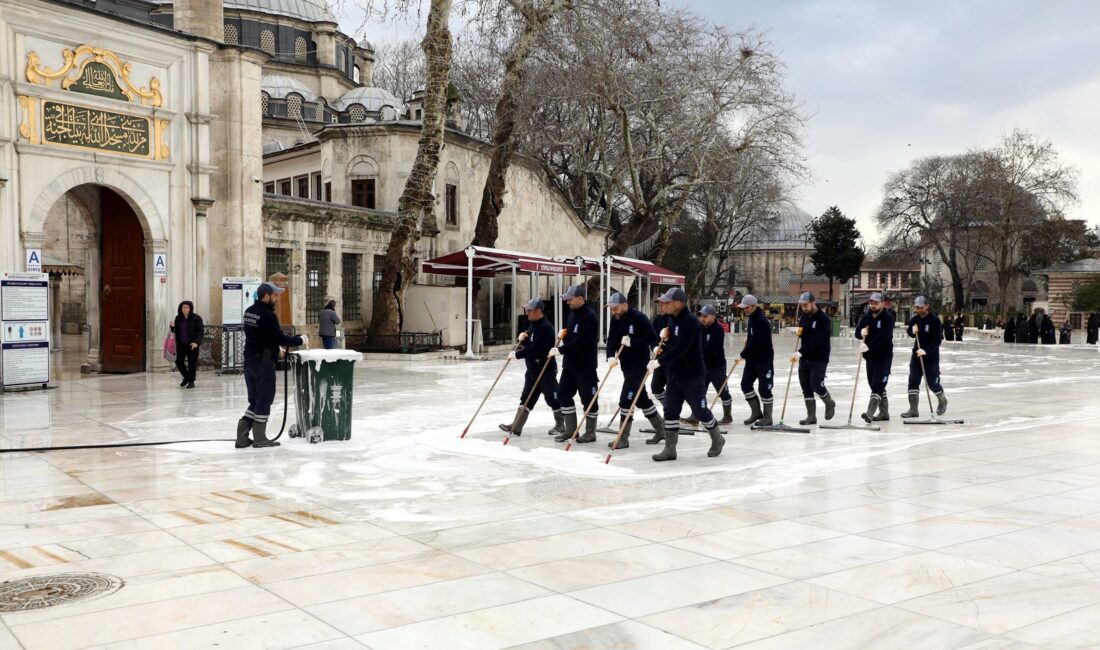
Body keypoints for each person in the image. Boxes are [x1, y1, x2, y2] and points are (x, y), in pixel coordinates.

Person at [649, 287, 724, 462]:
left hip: (692, 374)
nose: (664, 306)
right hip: (675, 374)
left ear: (678, 303)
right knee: (670, 410)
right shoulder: (672, 319)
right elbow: (673, 345)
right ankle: (670, 449)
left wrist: (660, 361)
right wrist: (663, 343)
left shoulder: (690, 321)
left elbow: (682, 348)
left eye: (667, 302)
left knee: (700, 411)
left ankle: (717, 439)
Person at [237, 282, 305, 449]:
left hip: (250, 360)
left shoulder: (249, 312)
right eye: (275, 295)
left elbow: (260, 336)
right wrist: (300, 340)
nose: (276, 298)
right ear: (266, 296)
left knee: (254, 400)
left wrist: (276, 347)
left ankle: (242, 438)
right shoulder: (268, 315)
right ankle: (260, 439)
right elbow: (279, 337)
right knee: (264, 399)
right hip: (263, 362)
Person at [604, 292, 662, 449]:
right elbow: (611, 340)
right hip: (626, 365)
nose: (613, 312)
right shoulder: (615, 320)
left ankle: (623, 437)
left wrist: (633, 343)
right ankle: (661, 429)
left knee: (626, 399)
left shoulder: (639, 318)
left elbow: (652, 338)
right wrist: (610, 356)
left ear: (624, 305)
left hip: (639, 365)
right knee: (641, 398)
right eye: (611, 309)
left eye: (615, 308)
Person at [499, 298, 562, 437]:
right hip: (532, 370)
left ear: (539, 311)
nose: (527, 312)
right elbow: (531, 342)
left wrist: (518, 354)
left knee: (552, 398)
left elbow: (537, 349)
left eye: (530, 310)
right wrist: (523, 339)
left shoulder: (545, 327)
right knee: (526, 397)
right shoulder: (533, 324)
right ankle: (516, 426)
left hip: (545, 370)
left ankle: (561, 424)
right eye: (526, 310)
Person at [550, 284, 599, 443]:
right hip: (570, 365)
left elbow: (581, 342)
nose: (568, 302)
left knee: (588, 399)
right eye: (567, 299)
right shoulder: (572, 314)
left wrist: (561, 350)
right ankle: (571, 430)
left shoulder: (589, 316)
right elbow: (572, 337)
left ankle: (590, 432)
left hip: (585, 365)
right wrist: (563, 336)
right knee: (563, 394)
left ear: (580, 298)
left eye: (570, 299)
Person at [901, 296, 948, 418]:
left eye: (921, 307)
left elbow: (937, 340)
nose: (918, 309)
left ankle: (942, 400)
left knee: (933, 383)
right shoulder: (915, 319)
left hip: (930, 357)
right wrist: (912, 330)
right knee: (913, 381)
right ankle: (913, 409)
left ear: (927, 306)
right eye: (917, 307)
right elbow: (910, 334)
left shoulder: (934, 320)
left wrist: (926, 351)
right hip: (916, 356)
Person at [793, 292, 836, 425]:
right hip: (805, 357)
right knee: (806, 386)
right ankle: (811, 416)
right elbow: (805, 336)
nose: (804, 308)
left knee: (816, 384)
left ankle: (829, 402)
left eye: (805, 305)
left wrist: (800, 352)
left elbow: (817, 339)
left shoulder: (823, 319)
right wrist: (800, 332)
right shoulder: (804, 317)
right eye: (801, 306)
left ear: (813, 302)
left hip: (819, 357)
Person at [688, 305, 734, 425]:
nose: (702, 319)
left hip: (716, 366)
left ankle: (727, 416)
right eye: (701, 316)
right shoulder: (699, 328)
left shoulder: (717, 329)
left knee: (722, 391)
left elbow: (710, 348)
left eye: (705, 316)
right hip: (703, 366)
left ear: (712, 317)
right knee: (699, 391)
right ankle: (695, 416)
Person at [854, 292, 894, 422]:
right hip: (870, 357)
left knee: (877, 384)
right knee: (874, 384)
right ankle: (884, 413)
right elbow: (857, 334)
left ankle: (870, 413)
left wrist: (869, 346)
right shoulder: (865, 318)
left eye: (876, 303)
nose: (873, 305)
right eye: (871, 303)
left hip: (884, 357)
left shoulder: (888, 318)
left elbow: (884, 337)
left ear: (882, 303)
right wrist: (861, 332)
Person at [738, 295, 774, 427]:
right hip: (752, 359)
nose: (745, 310)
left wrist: (744, 353)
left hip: (764, 359)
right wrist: (747, 343)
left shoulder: (762, 320)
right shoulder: (752, 318)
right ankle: (756, 412)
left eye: (747, 307)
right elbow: (751, 338)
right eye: (744, 308)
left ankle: (768, 417)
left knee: (764, 388)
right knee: (745, 384)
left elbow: (758, 343)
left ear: (754, 306)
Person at [646, 299, 672, 445]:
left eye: (663, 304)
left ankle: (670, 419)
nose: (661, 307)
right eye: (659, 305)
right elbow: (651, 337)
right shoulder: (657, 320)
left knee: (674, 390)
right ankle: (669, 408)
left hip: (672, 361)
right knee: (656, 388)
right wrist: (654, 347)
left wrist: (667, 341)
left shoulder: (673, 320)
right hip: (659, 360)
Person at [171, 300, 204, 389]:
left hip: (192, 345)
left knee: (192, 364)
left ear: (190, 308)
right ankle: (186, 377)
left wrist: (196, 342)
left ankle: (191, 381)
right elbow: (175, 331)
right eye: (183, 307)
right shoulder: (178, 318)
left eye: (187, 308)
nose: (185, 309)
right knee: (178, 361)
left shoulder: (197, 318)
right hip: (181, 345)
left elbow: (200, 332)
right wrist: (172, 327)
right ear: (180, 308)